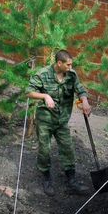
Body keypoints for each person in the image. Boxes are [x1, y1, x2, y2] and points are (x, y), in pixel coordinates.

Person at [27, 50, 92, 196]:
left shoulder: (71, 75)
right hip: (45, 120)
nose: (70, 67)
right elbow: (29, 92)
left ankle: (71, 180)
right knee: (44, 150)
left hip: (62, 120)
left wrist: (85, 102)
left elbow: (80, 89)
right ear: (59, 63)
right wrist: (45, 96)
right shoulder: (43, 74)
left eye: (71, 64)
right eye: (68, 65)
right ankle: (46, 178)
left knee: (67, 148)